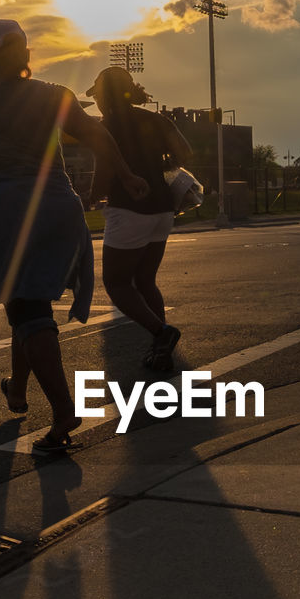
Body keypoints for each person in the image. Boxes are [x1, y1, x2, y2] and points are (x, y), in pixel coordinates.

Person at [0, 19, 149, 455]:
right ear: (26, 56)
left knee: (26, 310)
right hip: (57, 206)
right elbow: (96, 134)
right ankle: (17, 389)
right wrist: (126, 174)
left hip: (5, 210)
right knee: (28, 300)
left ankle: (63, 410)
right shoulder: (54, 95)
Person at [87, 66, 193, 372]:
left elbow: (104, 169)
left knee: (116, 282)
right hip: (163, 208)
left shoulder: (107, 125)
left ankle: (162, 333)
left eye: (97, 96)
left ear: (106, 96)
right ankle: (160, 351)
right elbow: (184, 152)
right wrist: (161, 162)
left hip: (129, 209)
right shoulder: (157, 119)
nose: (97, 103)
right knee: (146, 280)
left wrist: (92, 196)